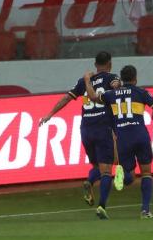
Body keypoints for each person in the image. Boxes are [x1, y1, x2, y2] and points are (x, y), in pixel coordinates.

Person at [84, 65, 153, 219]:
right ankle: (145, 210)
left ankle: (122, 177)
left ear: (121, 79)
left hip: (122, 139)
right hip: (140, 136)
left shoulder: (110, 94)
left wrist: (87, 81)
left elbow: (92, 96)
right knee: (146, 173)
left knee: (128, 175)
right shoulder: (141, 92)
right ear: (135, 78)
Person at [39, 52, 120, 216]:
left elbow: (66, 99)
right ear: (110, 64)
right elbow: (117, 86)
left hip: (86, 129)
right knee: (106, 171)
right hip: (103, 127)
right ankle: (102, 206)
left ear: (95, 64)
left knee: (97, 166)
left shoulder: (84, 81)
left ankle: (89, 181)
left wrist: (49, 114)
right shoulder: (111, 78)